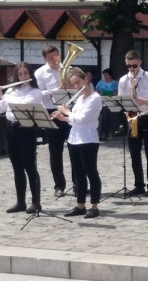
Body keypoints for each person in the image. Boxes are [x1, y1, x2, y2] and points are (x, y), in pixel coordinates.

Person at [0, 62, 45, 214]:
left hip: (26, 129)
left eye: (25, 73)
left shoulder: (35, 92)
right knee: (17, 167)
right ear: (16, 75)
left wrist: (2, 95)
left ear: (30, 74)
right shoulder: (11, 90)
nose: (23, 76)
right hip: (11, 128)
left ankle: (36, 203)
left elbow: (21, 106)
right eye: (20, 74)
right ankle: (20, 202)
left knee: (30, 166)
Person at [52, 67, 103, 219]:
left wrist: (67, 111)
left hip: (88, 140)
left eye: (78, 82)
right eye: (73, 84)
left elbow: (83, 118)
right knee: (79, 174)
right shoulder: (80, 99)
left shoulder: (95, 98)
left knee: (91, 172)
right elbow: (75, 120)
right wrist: (64, 118)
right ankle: (80, 205)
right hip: (74, 139)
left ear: (86, 79)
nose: (76, 87)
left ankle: (94, 206)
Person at [117, 50, 148, 197]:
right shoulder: (123, 80)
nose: (131, 69)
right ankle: (139, 185)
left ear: (140, 63)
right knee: (134, 153)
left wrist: (145, 101)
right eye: (128, 66)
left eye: (134, 66)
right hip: (132, 116)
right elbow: (121, 99)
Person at [34, 45, 70, 198]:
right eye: (51, 58)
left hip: (68, 109)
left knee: (76, 148)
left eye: (56, 56)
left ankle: (78, 183)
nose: (55, 60)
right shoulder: (40, 73)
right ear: (45, 59)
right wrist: (56, 90)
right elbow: (38, 94)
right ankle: (59, 185)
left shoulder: (68, 68)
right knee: (55, 151)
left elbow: (79, 86)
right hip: (51, 111)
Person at [95, 68, 119, 140]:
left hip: (112, 102)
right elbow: (96, 91)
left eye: (106, 75)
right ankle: (103, 133)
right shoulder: (101, 82)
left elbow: (118, 92)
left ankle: (110, 132)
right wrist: (100, 93)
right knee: (104, 116)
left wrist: (114, 93)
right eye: (104, 75)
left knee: (112, 117)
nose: (105, 76)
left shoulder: (115, 83)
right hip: (102, 102)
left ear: (110, 75)